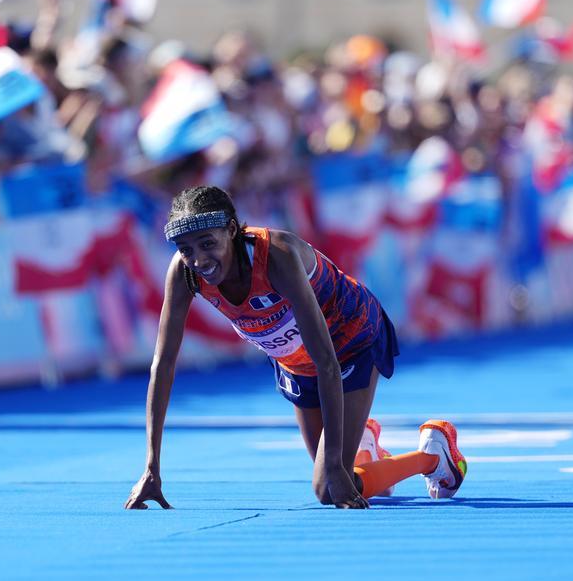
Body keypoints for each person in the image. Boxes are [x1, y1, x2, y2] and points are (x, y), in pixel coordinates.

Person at [125, 185, 467, 510]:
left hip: (349, 342)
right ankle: (362, 446)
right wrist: (151, 467)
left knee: (330, 487)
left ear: (231, 230)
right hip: (295, 362)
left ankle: (434, 456)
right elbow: (163, 365)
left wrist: (335, 466)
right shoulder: (185, 273)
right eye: (186, 249)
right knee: (337, 475)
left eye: (206, 244)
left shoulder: (278, 257)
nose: (199, 260)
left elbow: (328, 363)